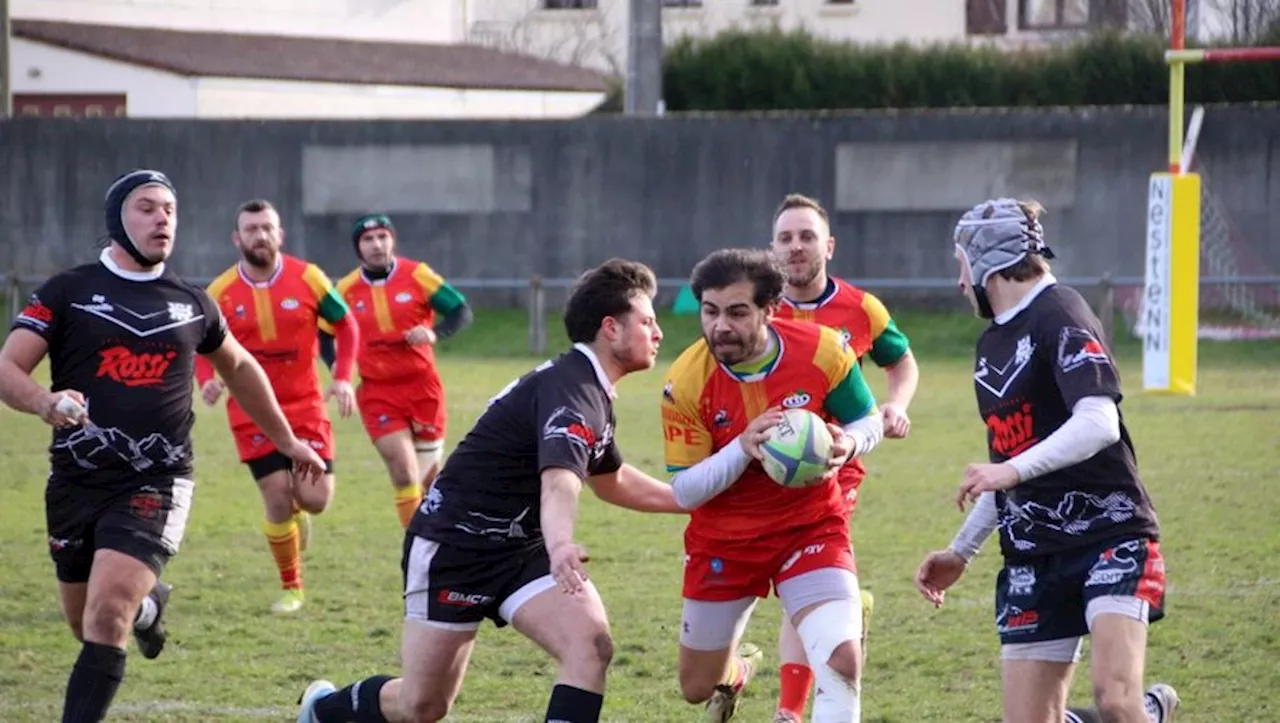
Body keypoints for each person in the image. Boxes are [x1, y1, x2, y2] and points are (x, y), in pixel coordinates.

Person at [297, 259, 685, 723]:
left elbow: (611, 480)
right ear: (610, 329)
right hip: (455, 548)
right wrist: (561, 544)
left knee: (590, 646)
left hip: (520, 553)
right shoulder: (573, 393)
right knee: (423, 706)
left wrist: (693, 501)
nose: (658, 332)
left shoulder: (589, 390)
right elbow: (559, 479)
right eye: (647, 322)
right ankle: (324, 712)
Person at [0, 170, 325, 723]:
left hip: (157, 480)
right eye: (147, 208)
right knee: (86, 625)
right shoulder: (68, 291)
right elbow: (8, 367)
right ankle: (149, 610)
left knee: (106, 617)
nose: (162, 220)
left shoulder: (192, 302)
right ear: (116, 221)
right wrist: (44, 402)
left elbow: (241, 369)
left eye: (169, 210)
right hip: (76, 481)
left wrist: (288, 439)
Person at [913, 197, 1179, 723]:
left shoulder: (1061, 313)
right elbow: (1007, 460)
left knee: (1117, 700)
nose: (960, 282)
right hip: (1033, 554)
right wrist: (961, 552)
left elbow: (1098, 422)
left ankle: (1140, 711)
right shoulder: (992, 344)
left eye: (961, 265)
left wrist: (1009, 470)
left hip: (1110, 535)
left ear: (984, 261)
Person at [662, 248, 886, 723]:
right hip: (726, 541)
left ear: (770, 309)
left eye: (738, 312)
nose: (721, 325)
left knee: (841, 662)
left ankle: (841, 629)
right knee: (696, 686)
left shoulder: (824, 351)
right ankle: (737, 670)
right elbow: (685, 491)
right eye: (710, 311)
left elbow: (868, 419)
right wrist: (742, 447)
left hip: (809, 527)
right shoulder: (685, 381)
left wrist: (848, 443)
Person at [769, 193, 920, 723]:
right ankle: (847, 607)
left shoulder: (861, 308)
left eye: (807, 236)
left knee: (799, 573)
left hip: (835, 464)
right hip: (765, 468)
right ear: (772, 248)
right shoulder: (757, 308)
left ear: (828, 246)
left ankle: (789, 712)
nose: (796, 247)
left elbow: (902, 363)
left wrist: (893, 408)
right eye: (786, 238)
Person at [194, 199, 360, 614]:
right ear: (237, 238)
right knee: (276, 497)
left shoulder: (309, 278)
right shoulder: (219, 292)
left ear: (280, 234)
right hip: (251, 410)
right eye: (251, 229)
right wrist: (207, 380)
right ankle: (292, 587)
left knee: (316, 498)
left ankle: (300, 514)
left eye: (267, 228)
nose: (260, 236)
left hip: (305, 405)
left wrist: (341, 376)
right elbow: (200, 344)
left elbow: (346, 323)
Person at [317, 214, 472, 530]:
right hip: (378, 392)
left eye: (382, 237)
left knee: (430, 481)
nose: (377, 245)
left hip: (423, 387)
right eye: (368, 240)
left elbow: (460, 310)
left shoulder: (417, 275)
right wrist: (338, 369)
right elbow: (324, 332)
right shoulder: (345, 289)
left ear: (392, 240)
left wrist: (434, 334)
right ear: (358, 248)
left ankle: (441, 539)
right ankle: (414, 546)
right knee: (404, 472)